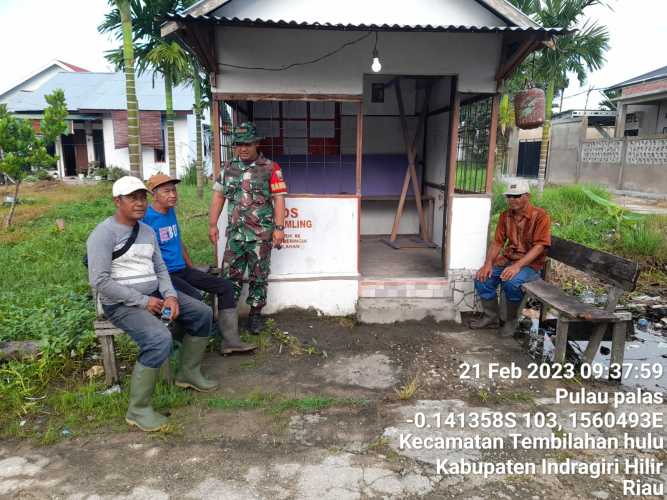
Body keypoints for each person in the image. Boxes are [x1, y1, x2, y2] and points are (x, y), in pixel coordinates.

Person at [87, 176, 218, 432]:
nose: (139, 203)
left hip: (155, 295)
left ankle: (187, 373)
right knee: (159, 339)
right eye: (132, 198)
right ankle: (138, 409)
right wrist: (143, 301)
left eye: (142, 197)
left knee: (202, 313)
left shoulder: (147, 231)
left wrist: (169, 295)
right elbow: (99, 281)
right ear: (117, 201)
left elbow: (160, 268)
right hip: (122, 304)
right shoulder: (103, 234)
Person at [142, 173, 255, 355]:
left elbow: (178, 241)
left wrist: (192, 268)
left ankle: (230, 341)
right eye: (167, 191)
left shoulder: (169, 211)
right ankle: (180, 344)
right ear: (153, 194)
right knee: (195, 298)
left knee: (224, 286)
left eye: (174, 190)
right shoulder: (145, 218)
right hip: (164, 276)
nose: (173, 195)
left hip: (182, 270)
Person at [208, 122, 287, 334]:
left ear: (256, 143)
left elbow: (279, 199)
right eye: (238, 144)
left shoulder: (271, 168)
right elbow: (218, 196)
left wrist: (279, 228)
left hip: (260, 236)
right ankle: (227, 319)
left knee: (258, 276)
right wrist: (212, 224)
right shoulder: (228, 168)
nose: (242, 148)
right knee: (228, 277)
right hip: (235, 236)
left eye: (247, 144)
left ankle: (255, 316)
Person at [471, 179, 551, 337]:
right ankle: (491, 317)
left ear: (527, 196)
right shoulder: (505, 216)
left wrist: (517, 266)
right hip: (509, 259)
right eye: (509, 196)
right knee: (482, 278)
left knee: (512, 282)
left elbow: (540, 246)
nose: (511, 200)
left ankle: (511, 320)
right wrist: (488, 264)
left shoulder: (541, 216)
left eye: (516, 196)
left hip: (530, 265)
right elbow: (498, 242)